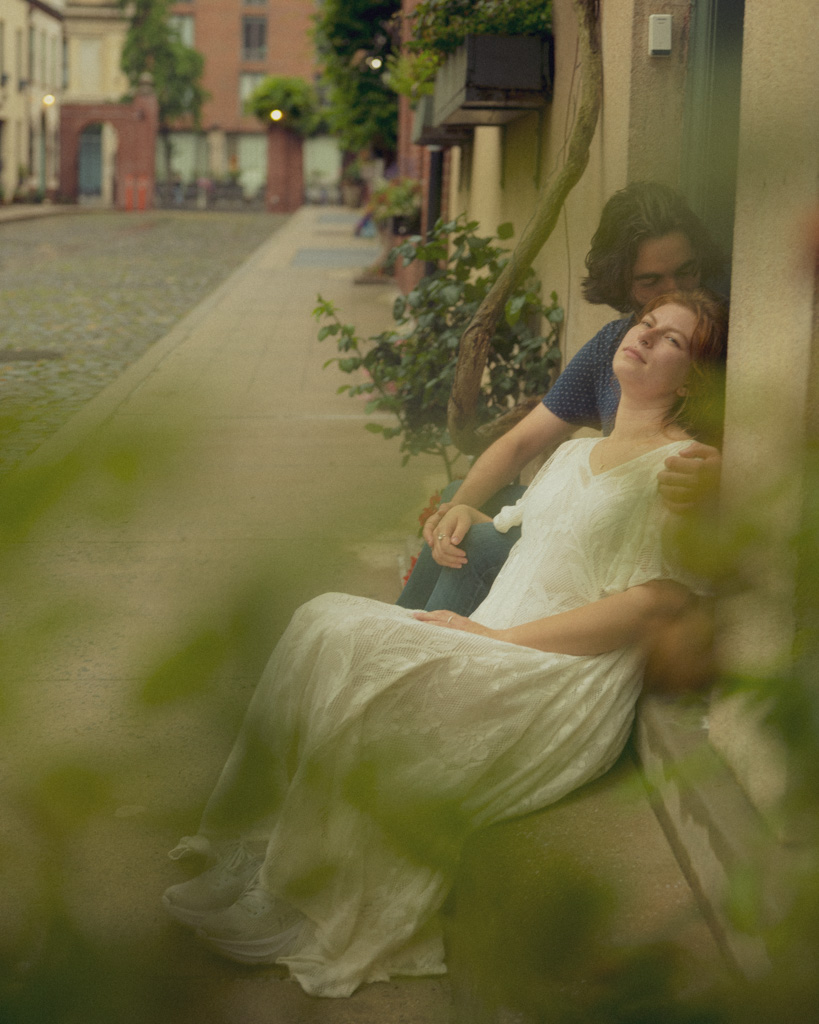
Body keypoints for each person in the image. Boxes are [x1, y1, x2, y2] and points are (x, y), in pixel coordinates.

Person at [162, 289, 728, 999]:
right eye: (645, 323)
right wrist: (463, 509)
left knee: (368, 657)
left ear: (692, 379)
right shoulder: (580, 448)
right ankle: (262, 848)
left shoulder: (683, 467)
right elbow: (521, 521)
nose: (643, 337)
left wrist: (498, 636)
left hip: (556, 672)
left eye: (671, 340)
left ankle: (307, 896)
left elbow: (658, 601)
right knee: (321, 619)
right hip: (492, 635)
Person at [397, 181, 726, 616]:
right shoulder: (616, 345)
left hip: (618, 561)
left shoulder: (713, 347)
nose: (674, 288)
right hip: (590, 527)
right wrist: (453, 511)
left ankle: (422, 645)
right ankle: (401, 624)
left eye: (686, 272)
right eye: (651, 281)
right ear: (621, 281)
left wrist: (721, 474)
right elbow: (519, 443)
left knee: (470, 538)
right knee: (457, 503)